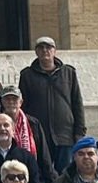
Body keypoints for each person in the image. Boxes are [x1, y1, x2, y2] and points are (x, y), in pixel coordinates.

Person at [18, 36, 85, 174]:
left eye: (48, 47)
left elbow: (77, 102)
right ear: (36, 52)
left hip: (64, 134)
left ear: (55, 51)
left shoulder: (68, 73)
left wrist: (79, 131)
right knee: (42, 173)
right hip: (39, 135)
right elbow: (22, 106)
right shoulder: (27, 75)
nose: (45, 51)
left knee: (66, 174)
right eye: (41, 48)